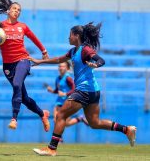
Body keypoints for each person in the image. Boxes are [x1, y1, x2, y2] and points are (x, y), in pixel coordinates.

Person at [30, 22, 137, 156]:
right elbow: (59, 59)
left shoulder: (85, 49)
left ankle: (52, 149)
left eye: (70, 35)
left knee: (61, 115)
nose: (68, 38)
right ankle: (126, 130)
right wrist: (40, 62)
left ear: (77, 35)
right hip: (93, 91)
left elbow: (101, 60)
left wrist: (95, 64)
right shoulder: (73, 51)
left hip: (84, 90)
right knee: (94, 123)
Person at [0, 0, 50, 131]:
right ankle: (42, 114)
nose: (17, 11)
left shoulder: (22, 26)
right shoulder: (0, 26)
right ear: (8, 11)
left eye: (19, 10)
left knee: (17, 84)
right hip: (8, 65)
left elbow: (34, 39)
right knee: (24, 98)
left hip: (23, 60)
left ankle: (14, 119)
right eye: (14, 8)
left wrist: (44, 51)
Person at [45, 62, 89, 128]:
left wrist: (65, 94)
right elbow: (58, 91)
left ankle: (80, 118)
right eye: (59, 66)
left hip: (67, 103)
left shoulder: (68, 78)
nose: (60, 68)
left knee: (65, 123)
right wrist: (51, 90)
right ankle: (59, 138)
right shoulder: (57, 78)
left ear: (67, 68)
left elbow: (74, 89)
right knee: (56, 121)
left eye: (63, 66)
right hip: (59, 102)